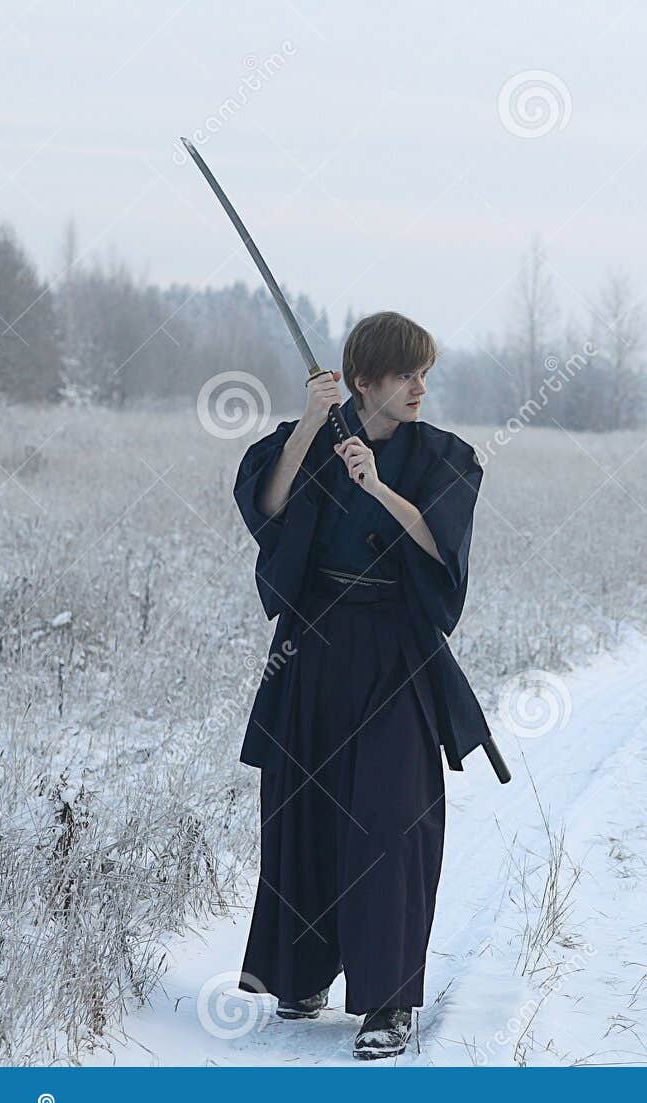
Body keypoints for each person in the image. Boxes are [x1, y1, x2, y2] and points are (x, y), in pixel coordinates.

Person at [229, 310, 490, 1060]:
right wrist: (310, 424)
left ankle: (386, 1001)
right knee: (302, 809)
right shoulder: (313, 439)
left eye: (425, 373)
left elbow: (444, 546)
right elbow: (268, 510)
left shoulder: (444, 455)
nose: (420, 387)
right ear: (365, 380)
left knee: (391, 821)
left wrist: (378, 489)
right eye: (407, 374)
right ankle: (302, 974)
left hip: (395, 657)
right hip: (310, 653)